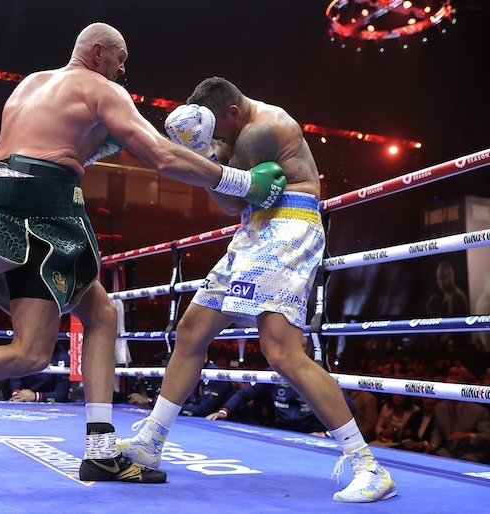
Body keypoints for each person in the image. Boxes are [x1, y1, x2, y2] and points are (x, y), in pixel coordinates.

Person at [0, 23, 286, 484]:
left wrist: (103, 144)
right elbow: (161, 157)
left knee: (102, 314)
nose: (122, 70)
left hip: (11, 199)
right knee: (30, 353)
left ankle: (100, 450)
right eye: (120, 58)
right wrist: (242, 182)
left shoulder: (32, 84)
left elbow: (55, 147)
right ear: (97, 52)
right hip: (42, 208)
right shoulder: (101, 89)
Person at [117, 77, 396, 502]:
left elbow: (231, 200)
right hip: (254, 231)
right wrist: (207, 154)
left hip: (289, 227)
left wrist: (202, 155)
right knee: (190, 332)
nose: (219, 140)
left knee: (281, 351)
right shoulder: (236, 130)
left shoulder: (259, 132)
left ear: (232, 111)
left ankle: (368, 466)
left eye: (219, 132)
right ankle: (150, 443)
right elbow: (234, 200)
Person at [205, 339, 356, 436]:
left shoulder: (319, 375)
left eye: (302, 347)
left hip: (311, 432)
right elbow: (245, 394)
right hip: (282, 429)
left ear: (309, 350)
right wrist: (223, 412)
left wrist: (327, 434)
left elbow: (349, 407)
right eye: (294, 347)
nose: (296, 352)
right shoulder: (274, 372)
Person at [127, 353, 234, 418]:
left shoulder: (214, 376)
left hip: (232, 421)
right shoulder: (190, 371)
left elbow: (202, 410)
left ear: (204, 357)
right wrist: (153, 401)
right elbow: (182, 400)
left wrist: (167, 407)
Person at [427, 375, 490, 463]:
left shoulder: (478, 411)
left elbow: (487, 436)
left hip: (471, 453)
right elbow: (437, 431)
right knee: (427, 459)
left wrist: (467, 435)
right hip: (447, 452)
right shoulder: (439, 407)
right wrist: (433, 445)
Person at [2, 342, 71, 402]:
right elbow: (15, 376)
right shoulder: (25, 351)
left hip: (47, 404)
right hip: (21, 399)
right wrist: (17, 394)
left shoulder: (63, 357)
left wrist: (36, 396)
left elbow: (61, 395)